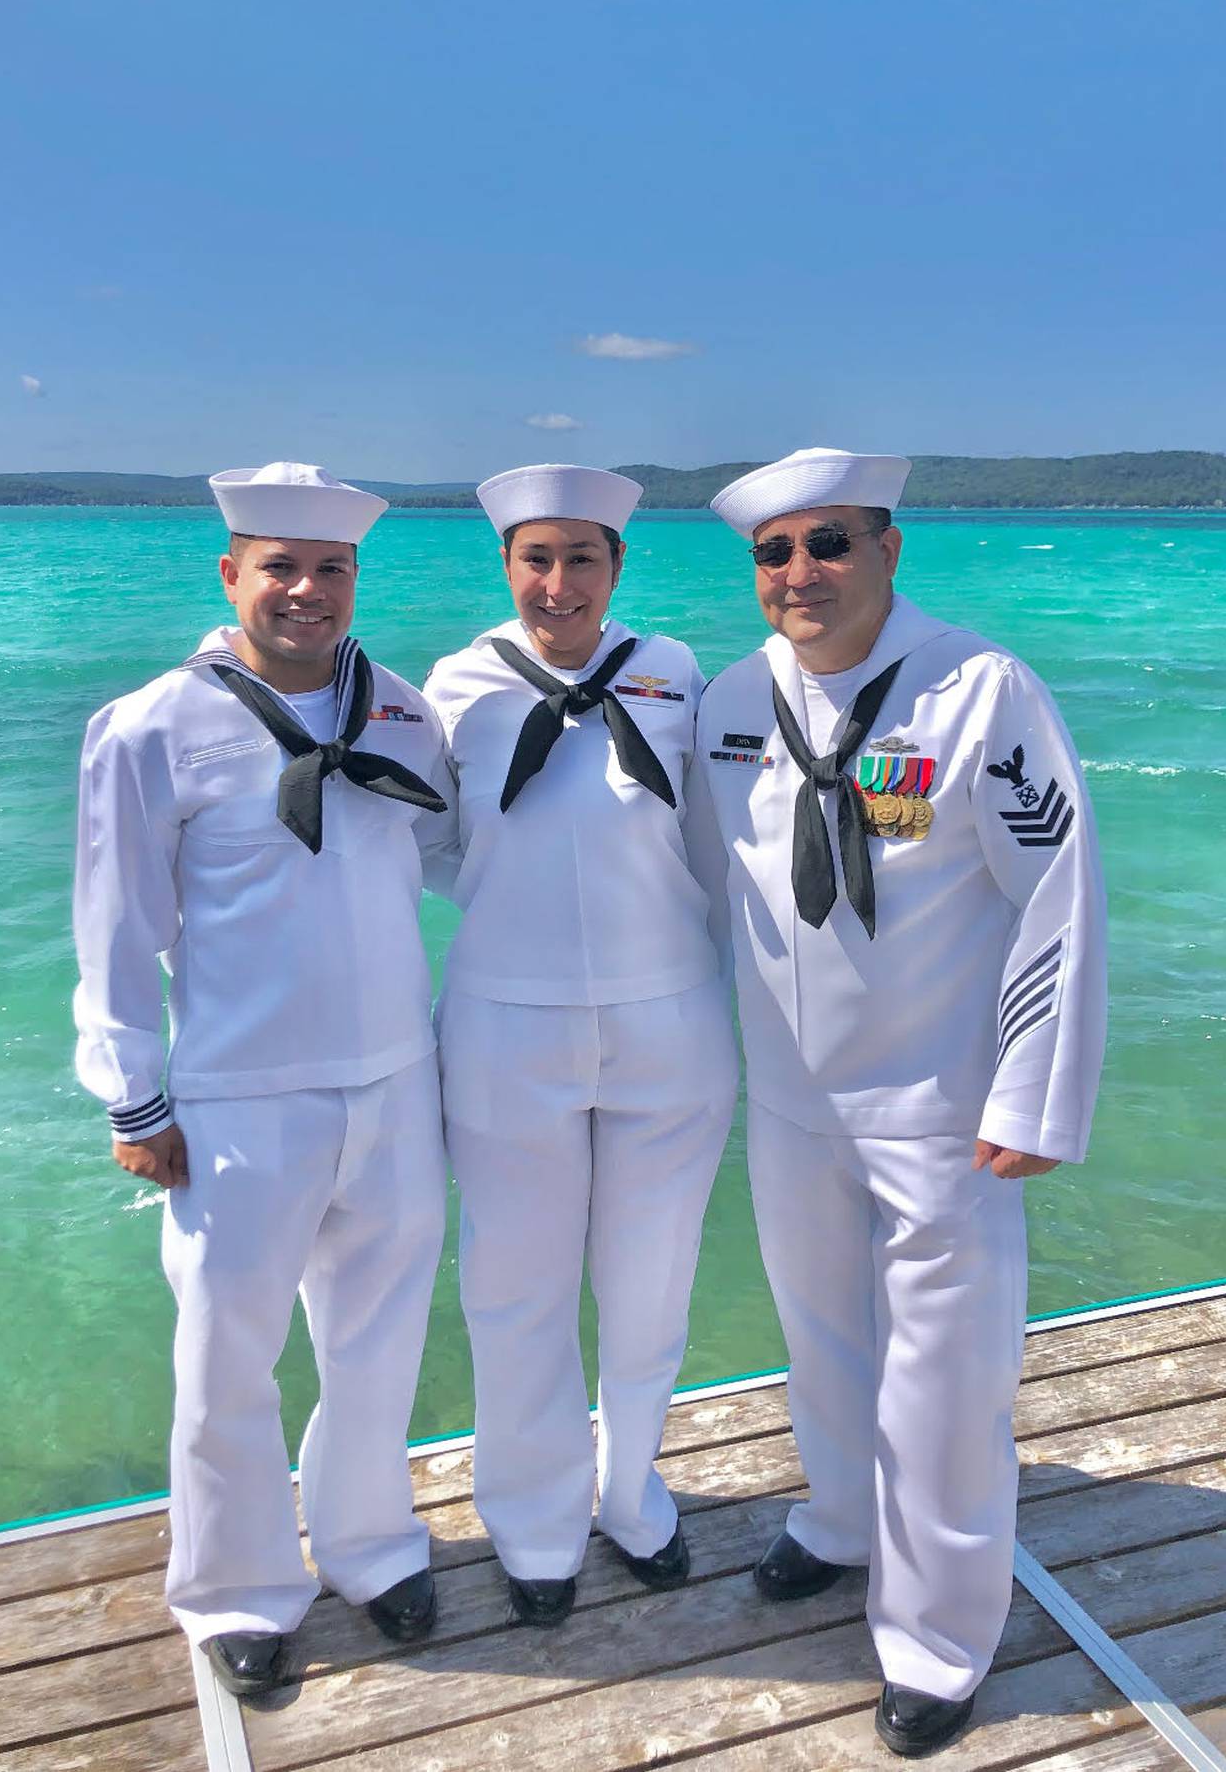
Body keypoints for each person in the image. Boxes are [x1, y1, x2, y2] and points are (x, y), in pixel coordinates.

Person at [690, 447, 1106, 1757]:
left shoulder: (982, 691)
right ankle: (840, 1519)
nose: (800, 572)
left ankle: (938, 1634)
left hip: (944, 1102)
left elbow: (1059, 889)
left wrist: (1034, 1092)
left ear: (888, 548)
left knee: (944, 1379)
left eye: (829, 542)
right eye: (775, 552)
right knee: (822, 1337)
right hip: (795, 1095)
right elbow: (715, 890)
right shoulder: (727, 701)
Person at [73, 461, 458, 1699]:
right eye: (279, 567)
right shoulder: (151, 725)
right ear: (230, 572)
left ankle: (369, 1542)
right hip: (242, 1095)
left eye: (331, 568)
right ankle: (237, 1584)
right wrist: (135, 1096)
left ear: (356, 579)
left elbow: (455, 857)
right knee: (226, 1356)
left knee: (378, 1337)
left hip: (397, 1080)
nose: (306, 590)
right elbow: (114, 927)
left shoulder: (400, 710)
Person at [423, 463, 737, 1627]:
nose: (559, 584)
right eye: (536, 559)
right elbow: (421, 843)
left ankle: (632, 1489)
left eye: (582, 559)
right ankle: (532, 1518)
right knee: (514, 1288)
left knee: (652, 1282)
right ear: (507, 566)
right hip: (509, 1020)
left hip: (672, 1019)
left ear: (618, 566)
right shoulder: (452, 686)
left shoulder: (675, 673)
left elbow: (717, 827)